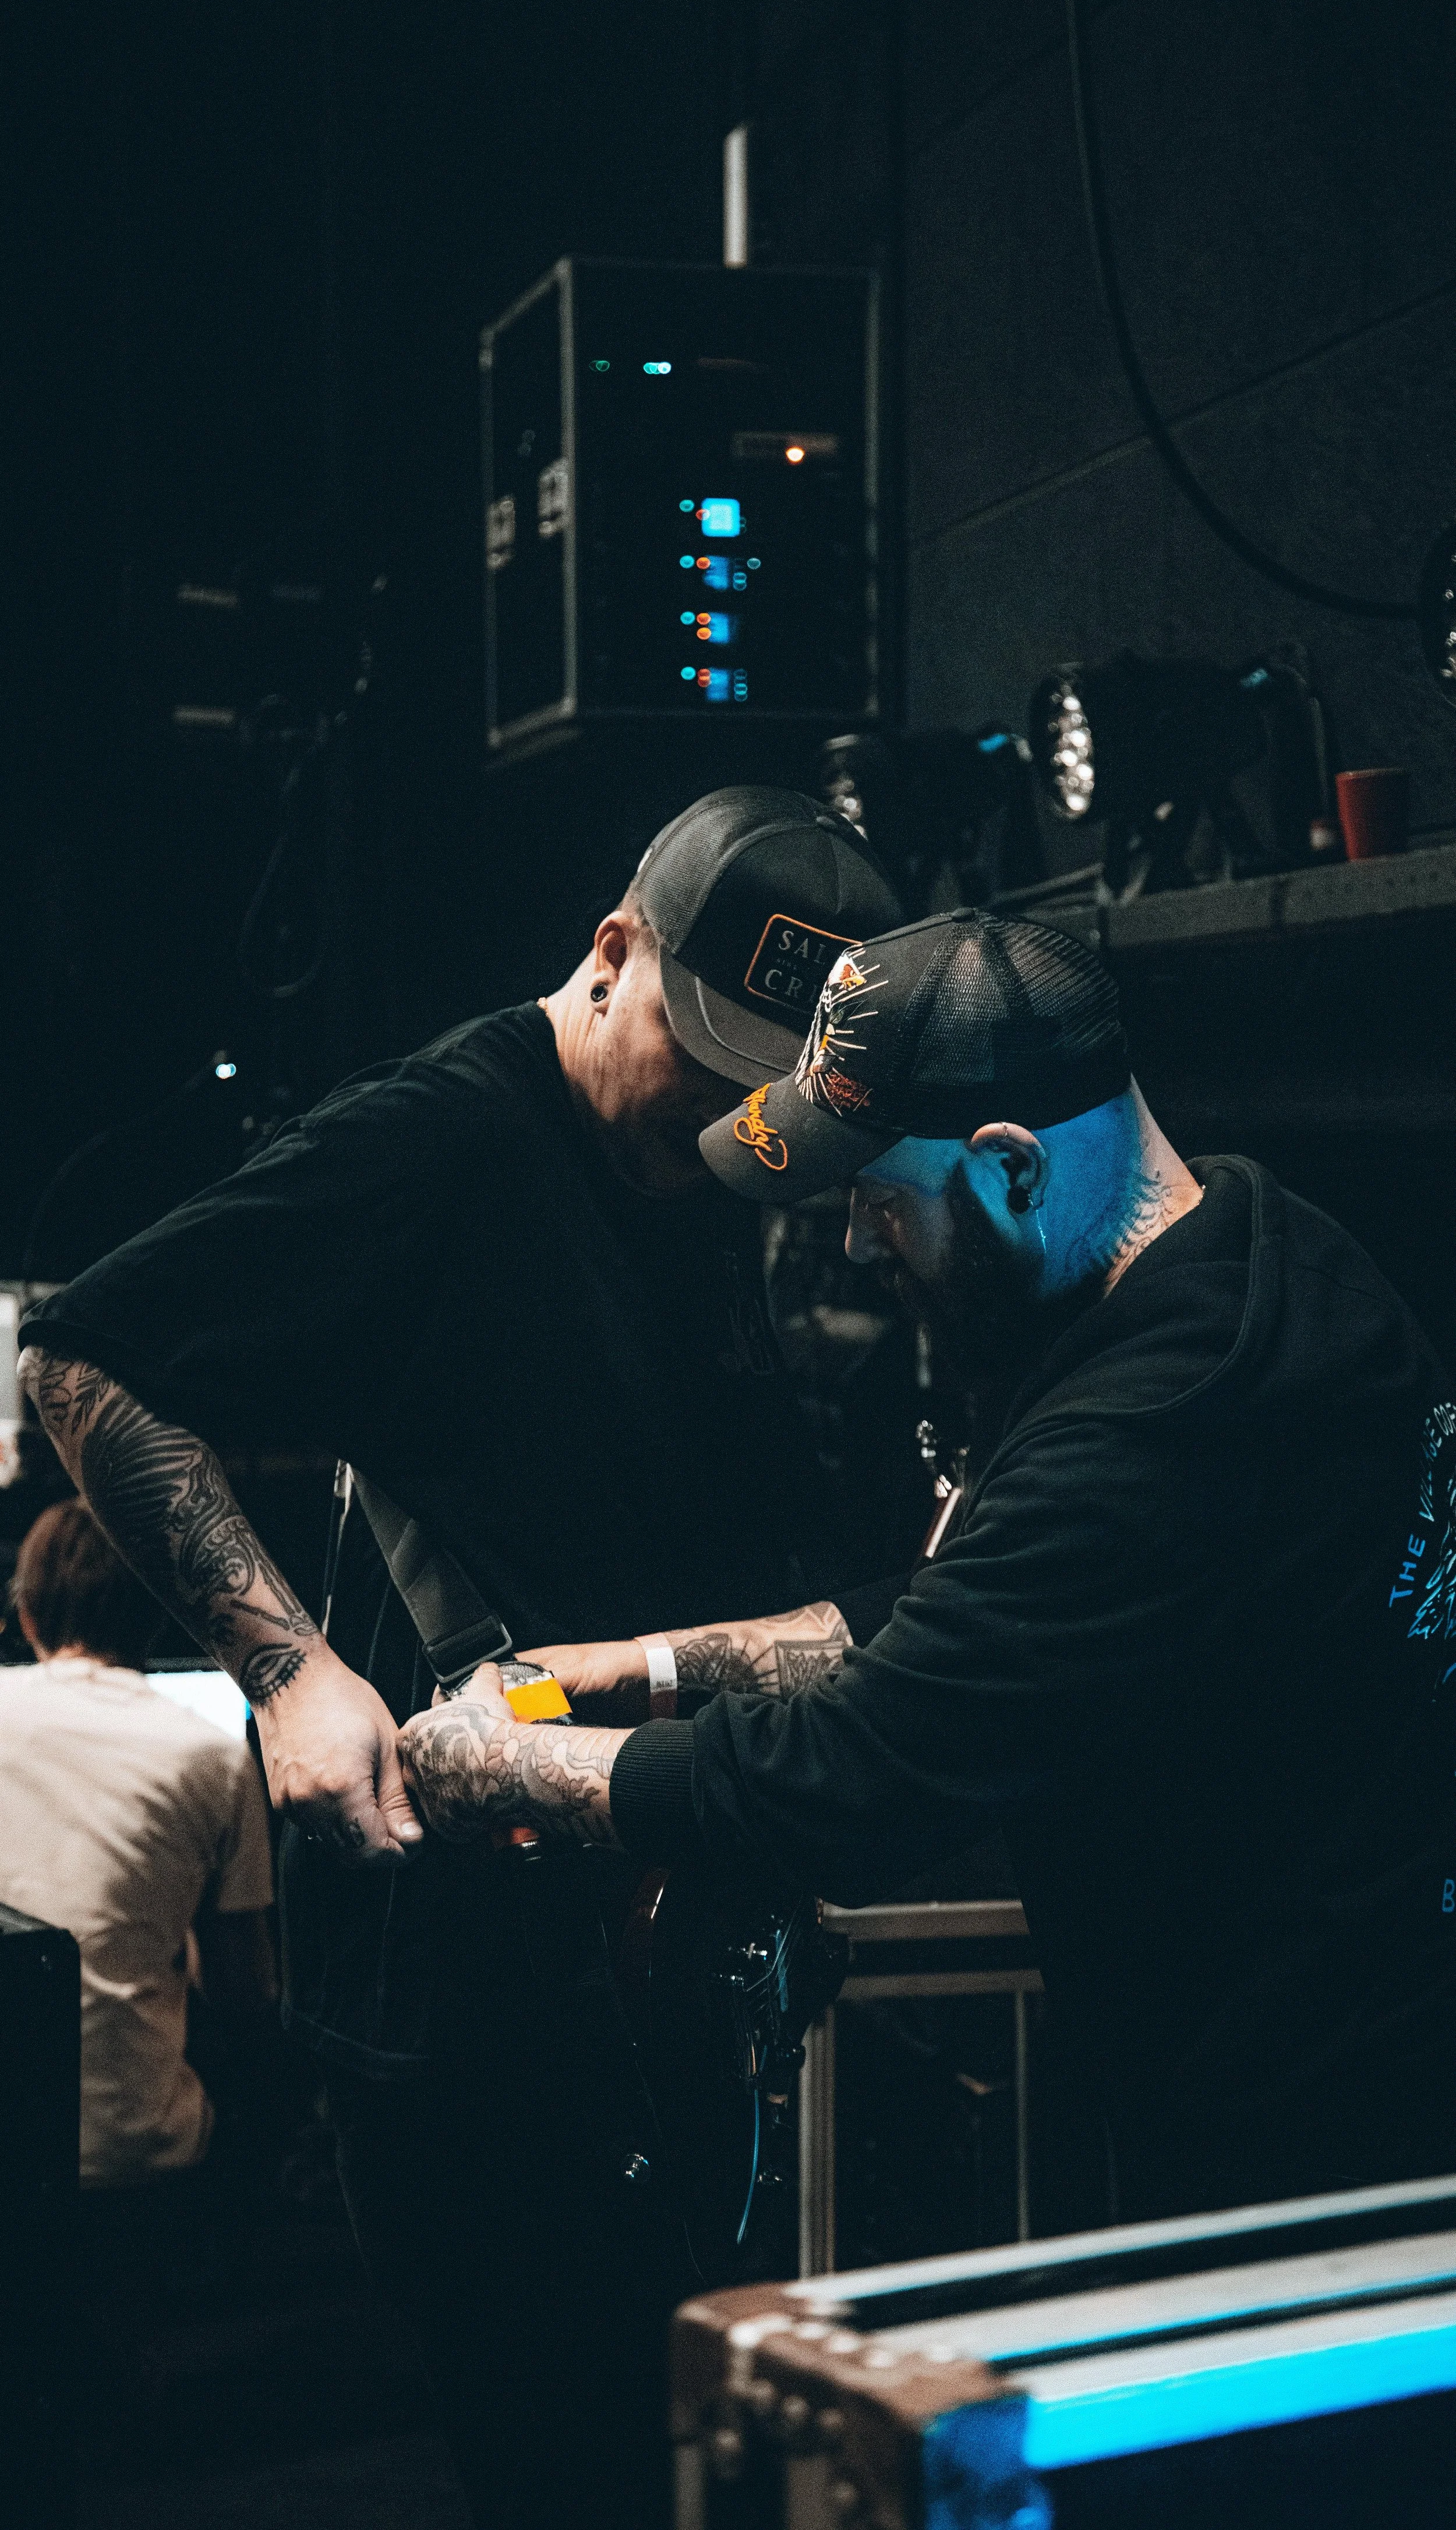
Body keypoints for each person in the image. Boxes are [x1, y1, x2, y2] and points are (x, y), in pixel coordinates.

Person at [17, 786, 903, 2530]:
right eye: (701, 1047)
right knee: (559, 2444)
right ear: (607, 950)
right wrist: (283, 1666)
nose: (728, 1108)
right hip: (460, 1962)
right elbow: (87, 1356)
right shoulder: (434, 1137)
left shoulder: (702, 1173)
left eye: (765, 1079)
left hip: (643, 1927)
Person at [397, 907, 1456, 2224]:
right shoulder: (1264, 1242)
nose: (854, 1243)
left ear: (1011, 1170)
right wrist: (647, 1666)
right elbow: (996, 1600)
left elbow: (858, 1770)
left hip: (1330, 2147)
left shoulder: (1157, 1422)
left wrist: (517, 1764)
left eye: (878, 1195)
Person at [0, 1498, 275, 2190]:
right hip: (125, 2160)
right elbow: (244, 1992)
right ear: (158, 1613)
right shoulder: (210, 1754)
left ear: (26, 1613)